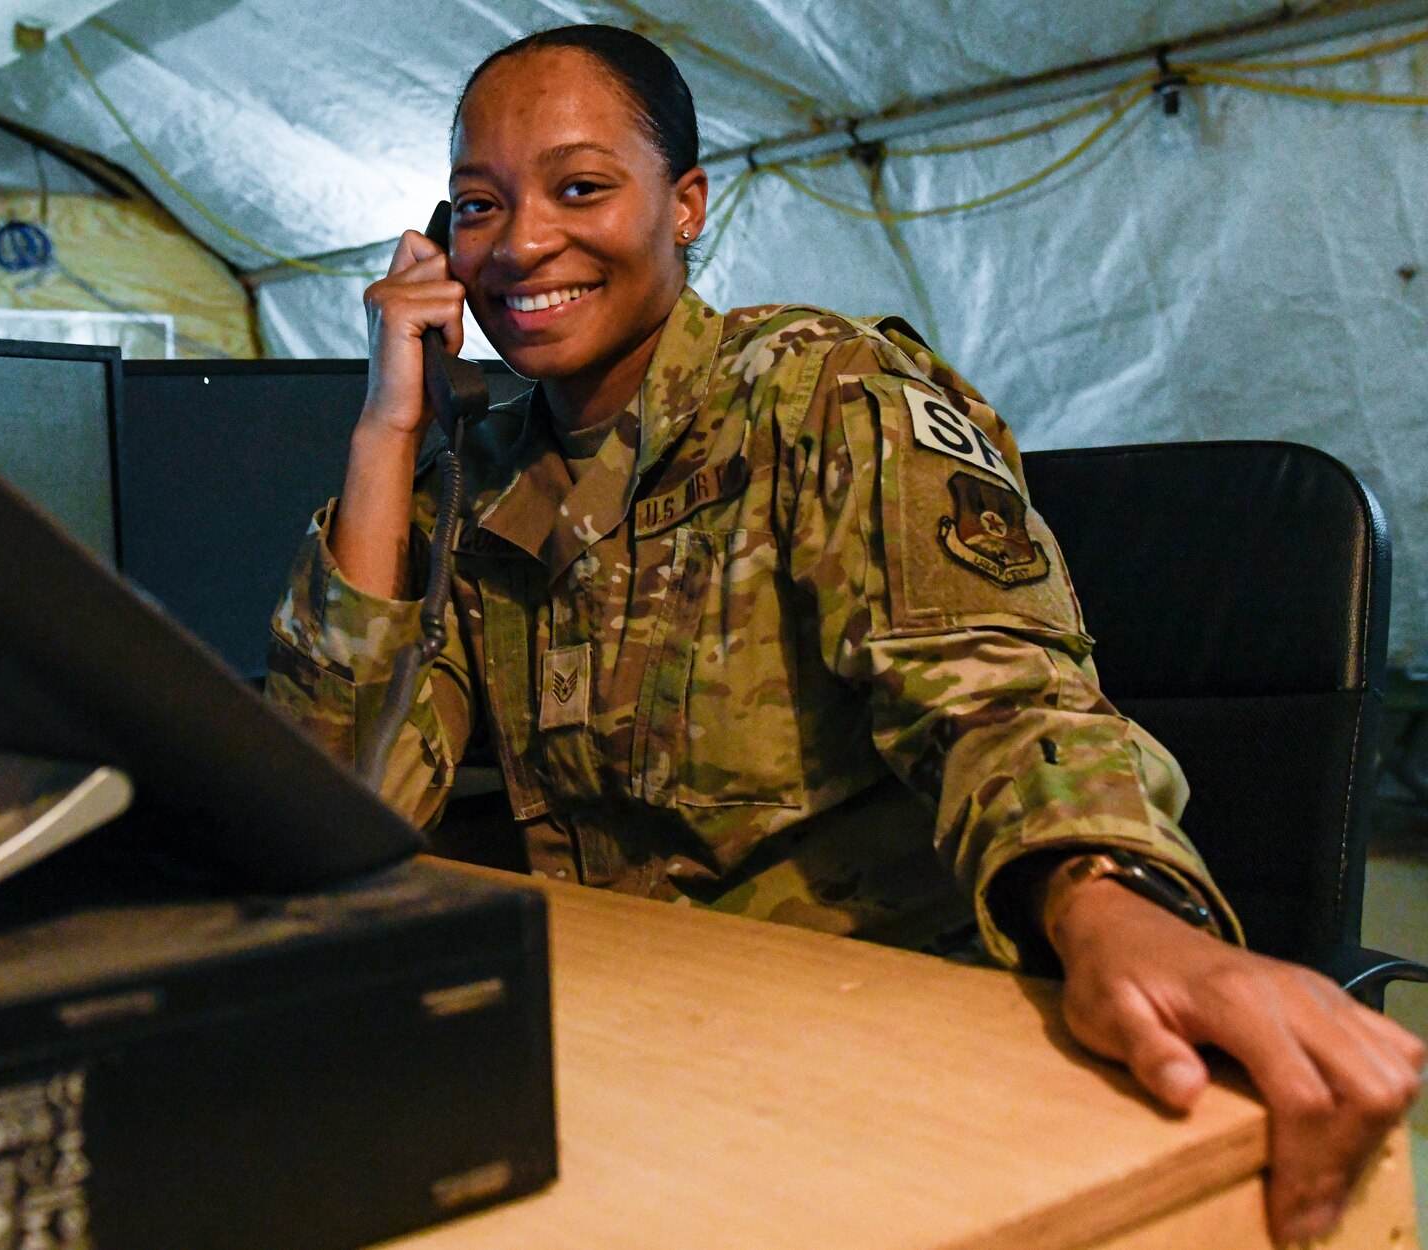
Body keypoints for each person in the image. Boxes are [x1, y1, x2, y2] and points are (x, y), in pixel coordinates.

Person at [264, 23, 1422, 1246]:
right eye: (477, 206)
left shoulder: (823, 393)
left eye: (581, 186)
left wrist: (1114, 907)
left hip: (871, 1040)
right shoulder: (476, 483)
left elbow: (995, 696)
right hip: (643, 1047)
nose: (523, 242)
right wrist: (389, 430)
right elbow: (341, 805)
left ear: (686, 203)